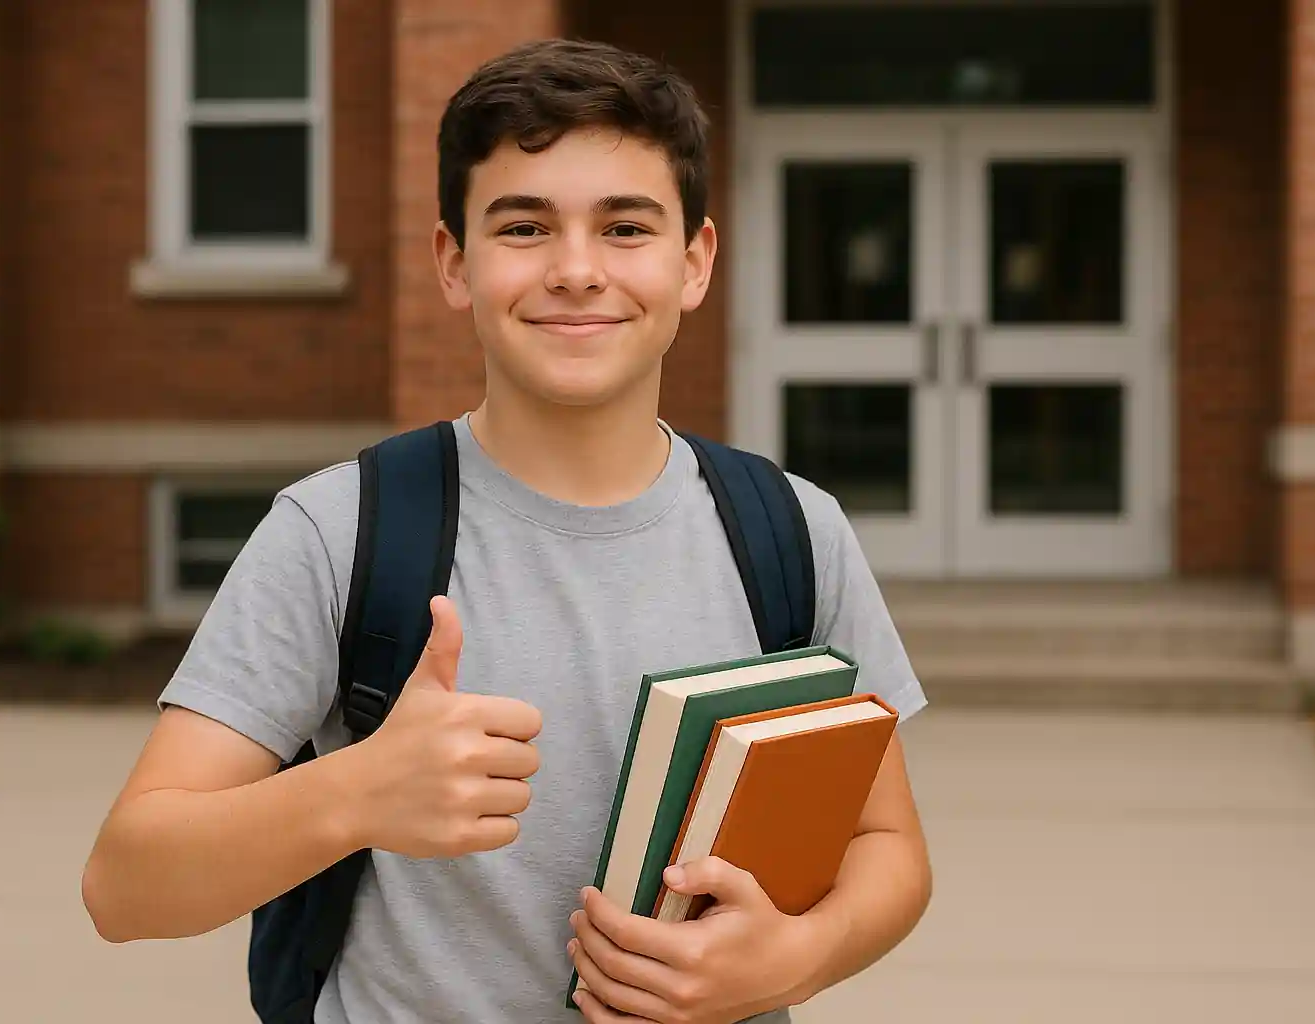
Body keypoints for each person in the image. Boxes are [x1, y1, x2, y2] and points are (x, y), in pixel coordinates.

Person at [81, 37, 932, 1024]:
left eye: (625, 227)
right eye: (524, 227)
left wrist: (797, 955)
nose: (577, 271)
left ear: (694, 262)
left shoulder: (792, 529)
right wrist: (356, 793)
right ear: (455, 264)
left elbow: (888, 847)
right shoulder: (337, 531)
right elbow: (124, 886)